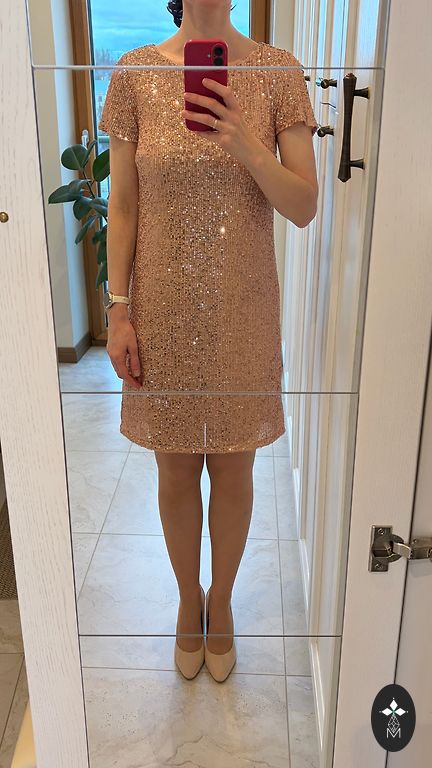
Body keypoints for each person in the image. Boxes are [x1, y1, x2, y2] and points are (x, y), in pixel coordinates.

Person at [98, 0, 318, 683]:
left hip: (241, 305)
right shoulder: (135, 74)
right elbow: (124, 205)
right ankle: (186, 597)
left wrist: (243, 141)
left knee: (232, 466)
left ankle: (220, 601)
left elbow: (304, 205)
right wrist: (117, 309)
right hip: (159, 305)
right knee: (173, 469)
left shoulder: (277, 72)